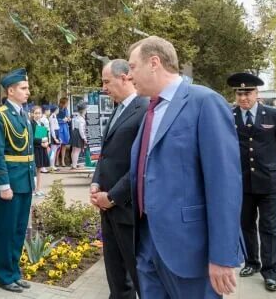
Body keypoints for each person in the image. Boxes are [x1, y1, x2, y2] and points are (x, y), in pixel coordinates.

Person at [127, 36, 242, 298]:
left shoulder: (204, 102)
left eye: (133, 67)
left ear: (154, 62)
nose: (129, 75)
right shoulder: (151, 110)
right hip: (148, 244)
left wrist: (223, 256)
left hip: (191, 251)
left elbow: (224, 184)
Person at [227, 72, 276, 292]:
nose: (243, 97)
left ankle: (271, 273)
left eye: (248, 93)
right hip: (242, 181)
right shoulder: (229, 115)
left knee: (270, 229)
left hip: (269, 182)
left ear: (257, 93)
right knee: (245, 225)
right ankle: (252, 262)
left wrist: (273, 165)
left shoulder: (274, 114)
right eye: (239, 93)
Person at [91, 59, 147, 299]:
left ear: (125, 77)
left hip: (127, 208)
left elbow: (141, 165)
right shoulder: (118, 109)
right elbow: (107, 154)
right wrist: (95, 181)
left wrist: (113, 197)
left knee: (138, 276)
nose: (104, 87)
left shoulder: (144, 109)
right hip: (108, 208)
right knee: (116, 277)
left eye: (107, 81)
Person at [0, 68, 35, 293]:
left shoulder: (23, 114)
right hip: (10, 183)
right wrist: (3, 184)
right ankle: (2, 275)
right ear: (11, 90)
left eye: (27, 88)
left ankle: (14, 272)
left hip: (24, 179)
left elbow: (29, 148)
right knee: (6, 229)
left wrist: (33, 174)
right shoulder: (0, 115)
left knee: (18, 230)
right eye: (24, 88)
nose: (28, 92)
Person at [30, 106, 49, 196]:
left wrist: (46, 142)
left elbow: (43, 136)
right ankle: (33, 189)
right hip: (34, 149)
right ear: (32, 114)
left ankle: (38, 188)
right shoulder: (31, 124)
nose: (37, 115)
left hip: (41, 149)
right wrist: (42, 142)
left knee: (39, 169)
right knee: (33, 170)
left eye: (39, 113)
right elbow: (32, 138)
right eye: (36, 113)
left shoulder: (41, 124)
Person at [70, 102, 87, 169]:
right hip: (78, 134)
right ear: (83, 110)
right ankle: (74, 165)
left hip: (74, 133)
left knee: (74, 150)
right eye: (85, 110)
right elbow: (81, 130)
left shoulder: (76, 117)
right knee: (77, 150)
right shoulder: (81, 119)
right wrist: (84, 138)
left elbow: (73, 126)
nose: (86, 111)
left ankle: (74, 164)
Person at [55, 98, 71, 167]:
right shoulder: (57, 109)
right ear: (64, 103)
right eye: (67, 103)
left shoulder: (66, 110)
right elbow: (55, 120)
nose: (68, 104)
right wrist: (63, 120)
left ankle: (63, 161)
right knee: (58, 145)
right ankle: (57, 161)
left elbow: (67, 117)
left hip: (65, 128)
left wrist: (68, 119)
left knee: (64, 145)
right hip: (59, 128)